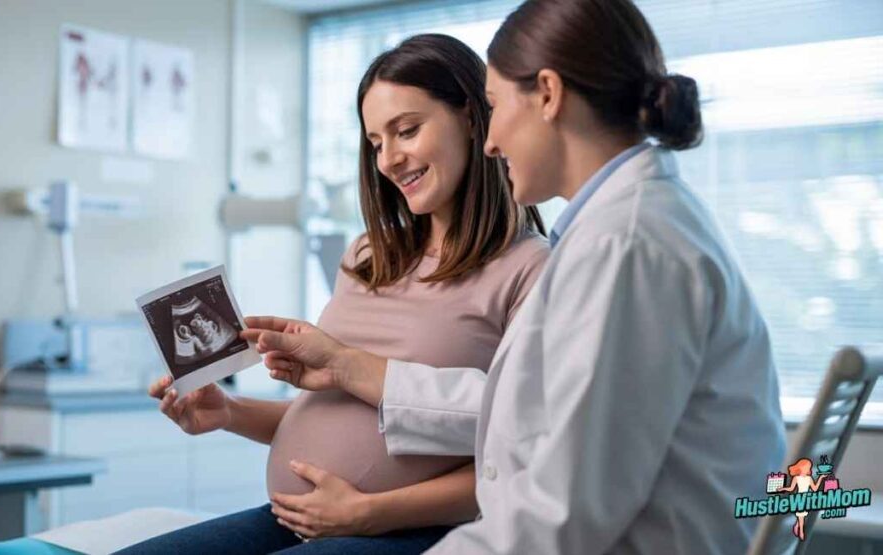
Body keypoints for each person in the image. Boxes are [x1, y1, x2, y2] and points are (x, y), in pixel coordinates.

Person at [242, 1, 787, 553]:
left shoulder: (622, 246)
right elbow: (518, 419)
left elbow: (562, 511)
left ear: (548, 95)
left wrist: (376, 512)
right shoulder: (622, 227)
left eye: (495, 106)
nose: (492, 140)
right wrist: (337, 371)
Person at [118, 34, 548, 555]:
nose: (389, 159)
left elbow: (524, 450)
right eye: (375, 143)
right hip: (293, 520)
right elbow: (333, 417)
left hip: (412, 533)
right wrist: (229, 412)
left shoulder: (530, 269)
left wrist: (369, 513)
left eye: (406, 130)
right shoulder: (369, 255)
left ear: (474, 118)